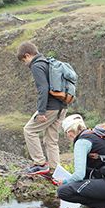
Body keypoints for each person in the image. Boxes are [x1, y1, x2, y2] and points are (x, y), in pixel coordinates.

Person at [17, 41, 68, 177]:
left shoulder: (37, 66)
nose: (25, 64)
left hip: (50, 107)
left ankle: (40, 163)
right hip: (62, 106)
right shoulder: (48, 63)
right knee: (51, 140)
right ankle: (54, 170)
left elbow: (43, 89)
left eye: (24, 61)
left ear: (27, 55)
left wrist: (41, 112)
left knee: (29, 130)